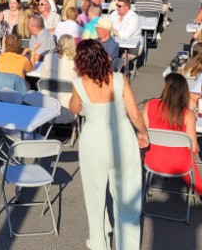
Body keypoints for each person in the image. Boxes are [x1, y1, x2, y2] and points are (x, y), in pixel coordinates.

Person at [69, 39, 148, 250]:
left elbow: (74, 109)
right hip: (122, 138)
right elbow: (134, 114)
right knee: (127, 197)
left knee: (94, 197)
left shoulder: (79, 84)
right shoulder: (120, 79)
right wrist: (143, 133)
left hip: (93, 141)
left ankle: (99, 242)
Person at [142, 73, 202, 206]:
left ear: (165, 87)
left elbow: (143, 135)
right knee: (188, 155)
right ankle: (201, 191)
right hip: (179, 165)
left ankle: (201, 191)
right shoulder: (188, 114)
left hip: (151, 160)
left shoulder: (150, 104)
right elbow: (193, 147)